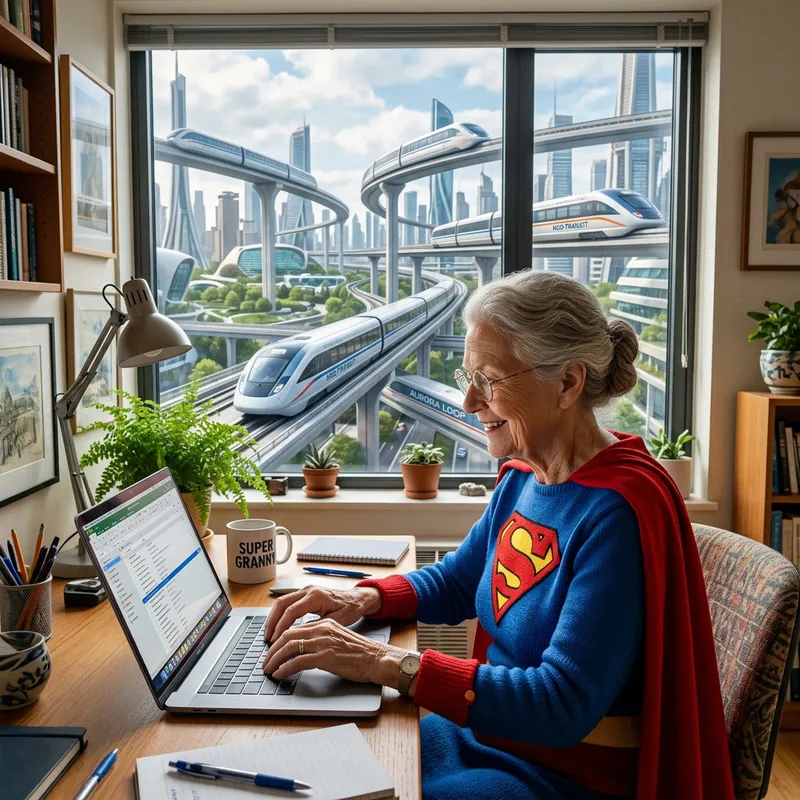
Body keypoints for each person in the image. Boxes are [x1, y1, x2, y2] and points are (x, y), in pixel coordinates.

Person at [263, 271, 734, 800]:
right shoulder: (524, 476)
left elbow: (561, 704)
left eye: (487, 379)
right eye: (468, 376)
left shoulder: (616, 512)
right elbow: (461, 580)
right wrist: (361, 597)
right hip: (493, 734)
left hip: (561, 774)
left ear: (567, 382)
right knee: (327, 745)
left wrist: (386, 662)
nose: (467, 400)